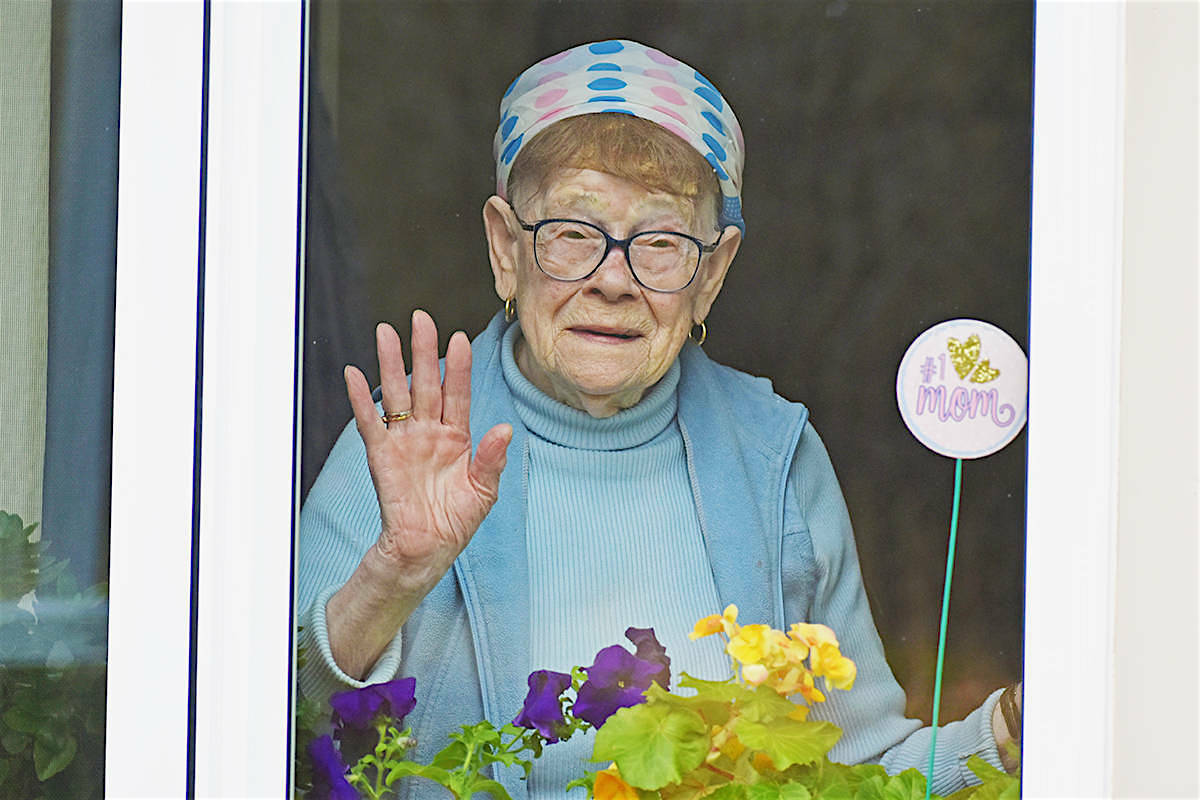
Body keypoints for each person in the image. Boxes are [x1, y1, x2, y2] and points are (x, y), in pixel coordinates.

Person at [298, 39, 1020, 799]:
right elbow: (279, 732)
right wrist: (396, 576)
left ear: (710, 275)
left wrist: (1003, 735)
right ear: (506, 249)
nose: (614, 278)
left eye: (662, 242)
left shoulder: (773, 457)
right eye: (573, 232)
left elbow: (857, 777)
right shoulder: (411, 436)